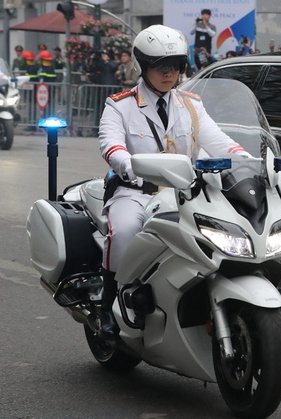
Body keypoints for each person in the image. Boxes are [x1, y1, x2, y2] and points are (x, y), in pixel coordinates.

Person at [97, 24, 247, 338]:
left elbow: (218, 140)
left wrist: (246, 160)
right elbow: (110, 145)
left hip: (184, 194)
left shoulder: (191, 105)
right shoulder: (120, 105)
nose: (169, 74)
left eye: (176, 67)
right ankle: (108, 302)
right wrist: (128, 163)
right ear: (142, 66)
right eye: (160, 67)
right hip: (136, 192)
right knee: (124, 231)